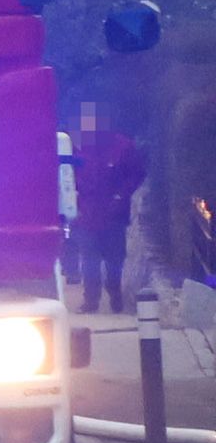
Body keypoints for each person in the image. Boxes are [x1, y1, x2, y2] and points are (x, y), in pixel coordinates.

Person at [72, 105, 147, 313]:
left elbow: (136, 174)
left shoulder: (123, 146)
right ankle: (91, 300)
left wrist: (121, 196)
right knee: (89, 259)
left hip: (113, 214)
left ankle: (116, 295)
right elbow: (70, 174)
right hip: (86, 213)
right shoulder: (79, 146)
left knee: (115, 259)